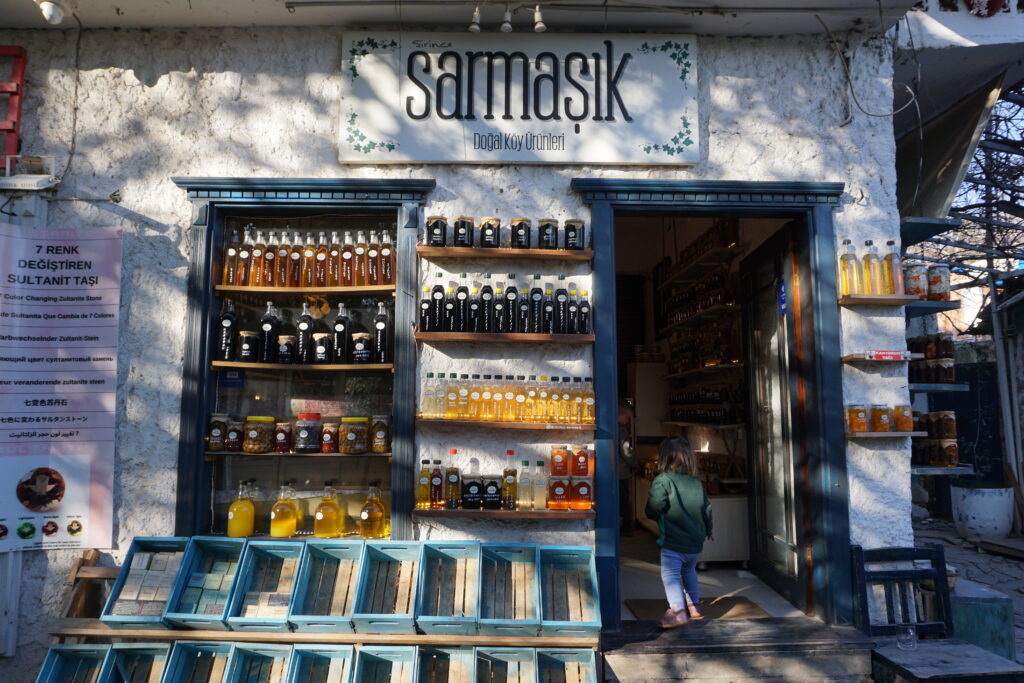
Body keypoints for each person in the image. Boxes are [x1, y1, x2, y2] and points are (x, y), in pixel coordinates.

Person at [644, 436, 713, 629]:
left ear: (663, 457)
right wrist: (709, 529)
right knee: (689, 570)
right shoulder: (696, 483)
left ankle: (677, 611)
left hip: (674, 541)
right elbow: (707, 508)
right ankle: (695, 606)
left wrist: (651, 513)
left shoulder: (663, 480)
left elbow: (655, 505)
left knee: (671, 576)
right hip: (696, 542)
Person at [618, 399, 637, 535]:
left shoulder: (611, 427)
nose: (628, 420)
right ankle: (627, 526)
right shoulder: (622, 431)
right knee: (624, 499)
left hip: (614, 471)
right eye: (627, 417)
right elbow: (626, 451)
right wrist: (635, 464)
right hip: (621, 472)